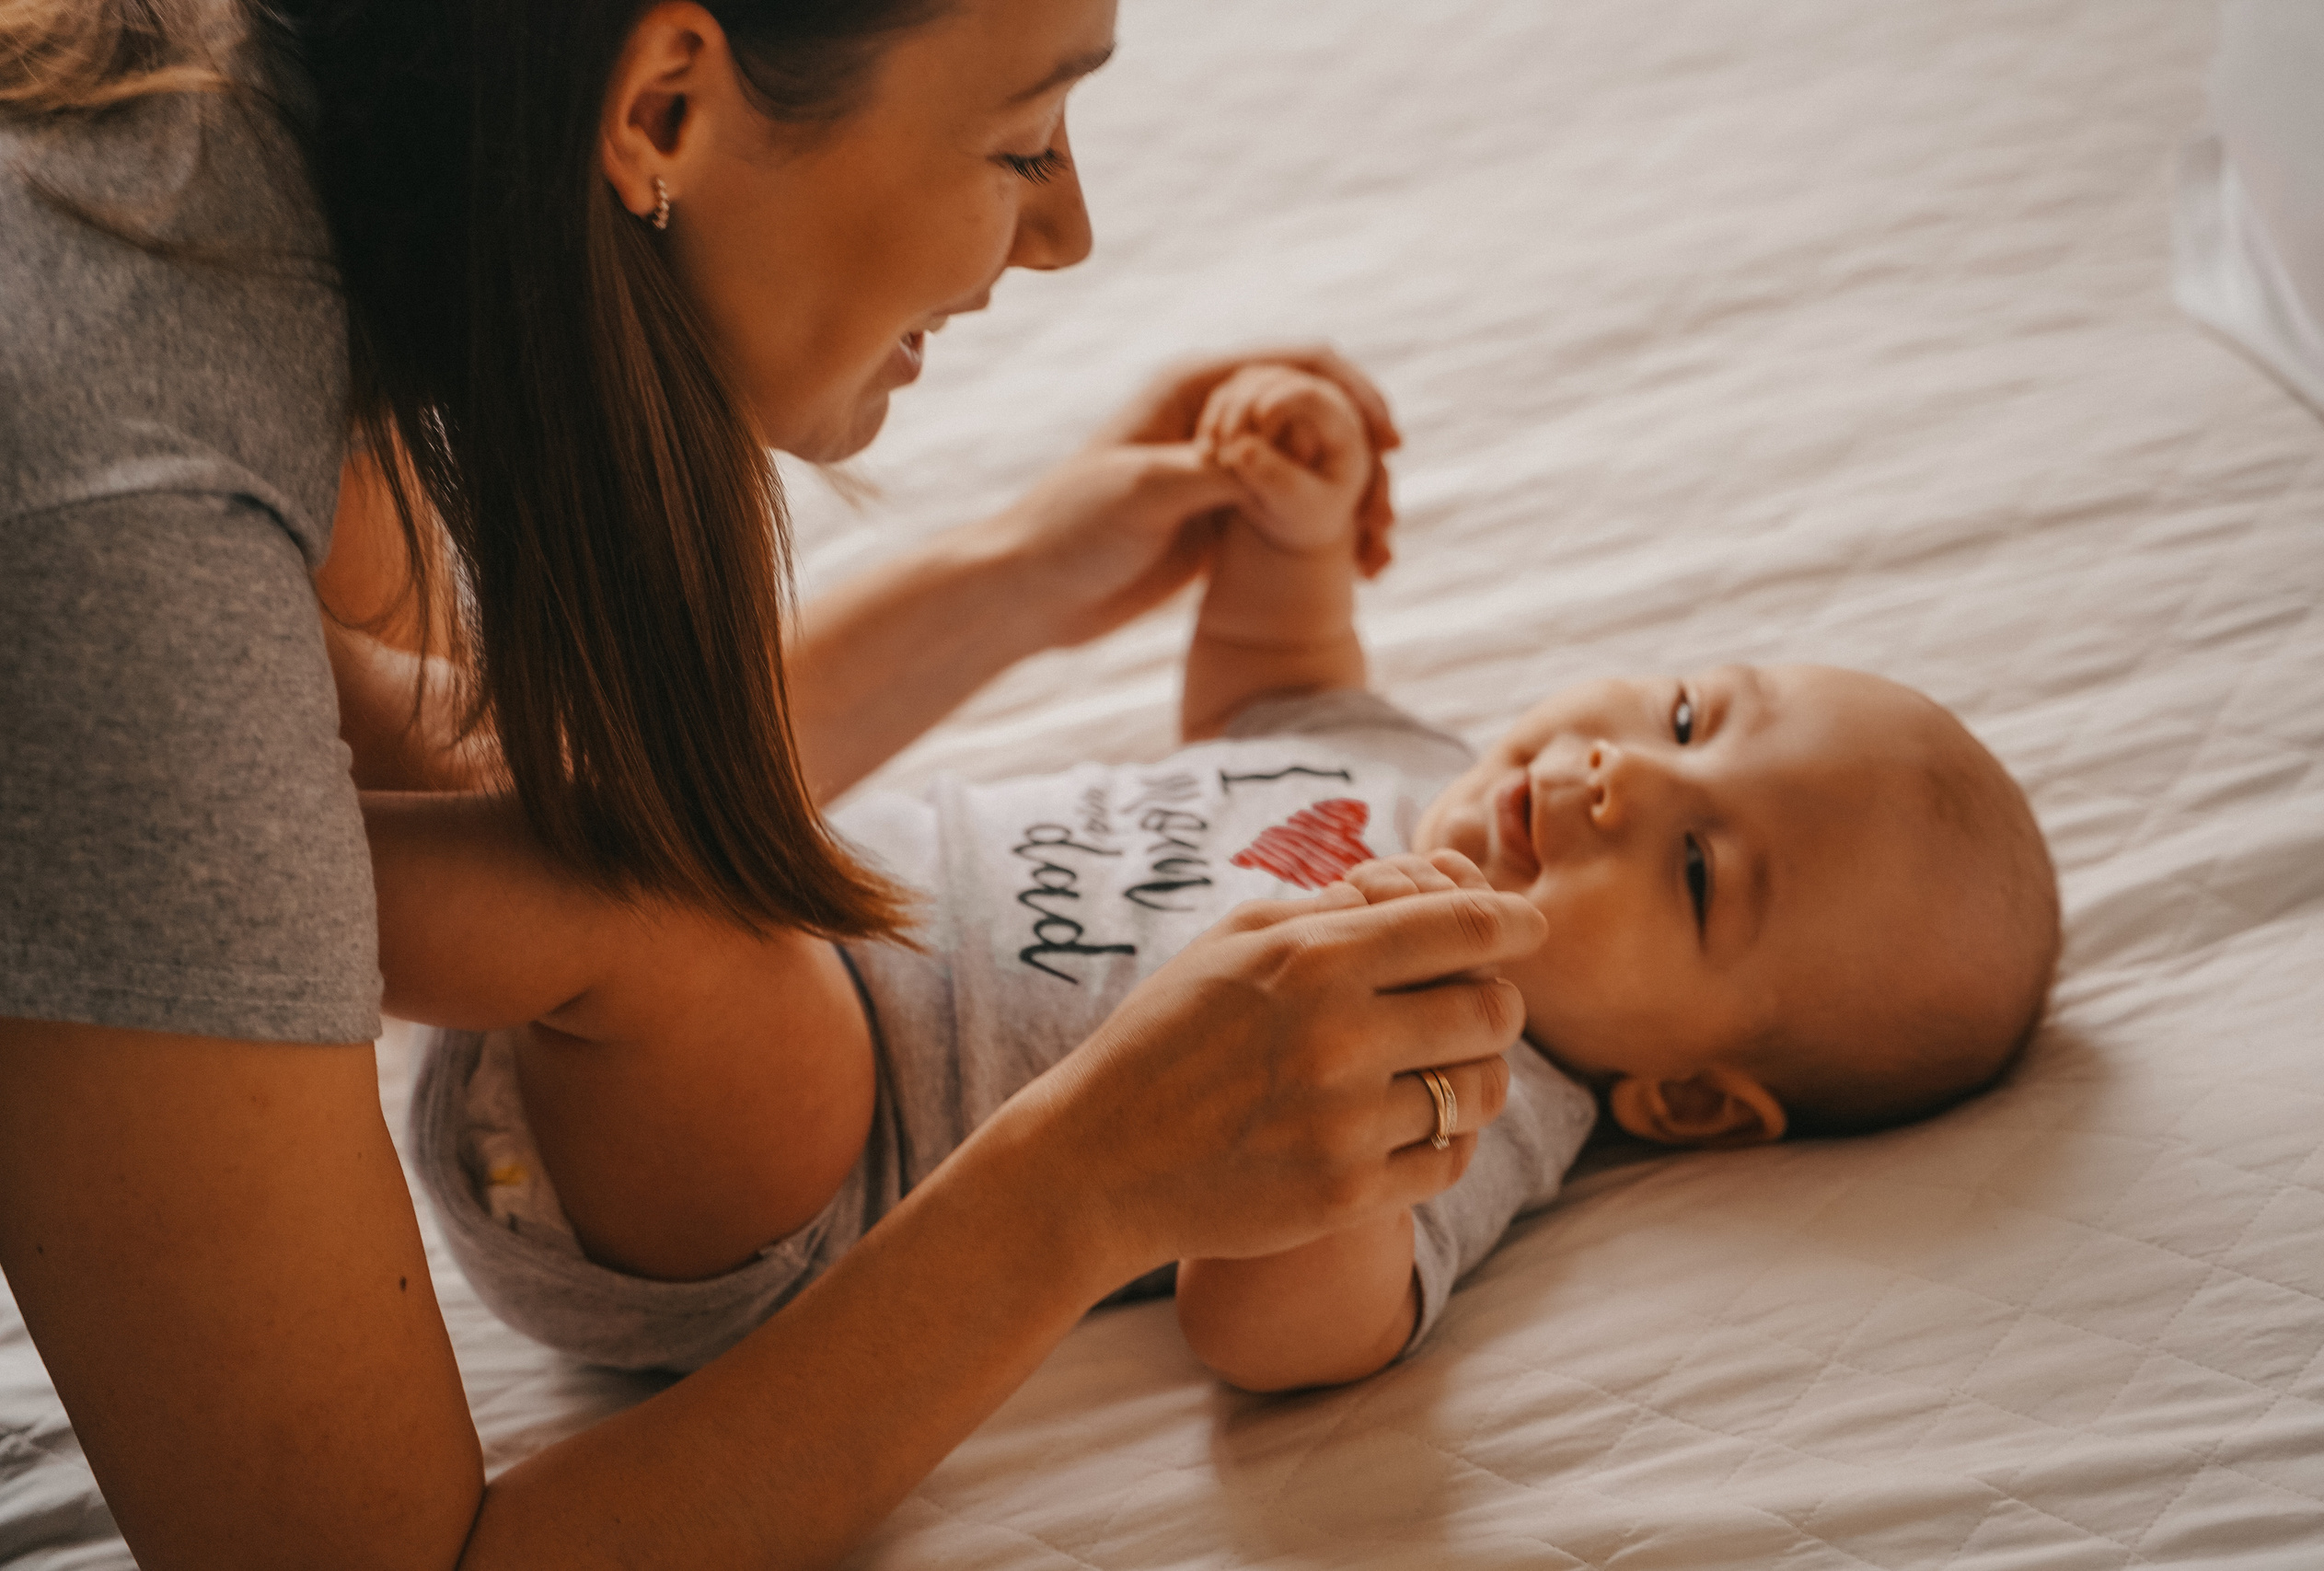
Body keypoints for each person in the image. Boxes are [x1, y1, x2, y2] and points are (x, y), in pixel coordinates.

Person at [0, 4, 1547, 1566]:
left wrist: (1023, 570)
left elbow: (458, 789)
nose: (1070, 232)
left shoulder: (245, 162)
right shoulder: (112, 524)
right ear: (663, 109)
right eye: (1025, 140)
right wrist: (1094, 1180)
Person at [383, 366, 2064, 1395]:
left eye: (1700, 868)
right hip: (727, 945)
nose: (1628, 773)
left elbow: (1274, 1339)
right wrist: (1295, 517)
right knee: (533, 754)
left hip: (799, 1163)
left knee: (658, 899)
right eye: (1690, 713)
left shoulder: (1476, 1087)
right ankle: (261, 758)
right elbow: (1268, 685)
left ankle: (221, 895)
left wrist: (1344, 1164)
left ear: (1689, 1098)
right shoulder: (1410, 762)